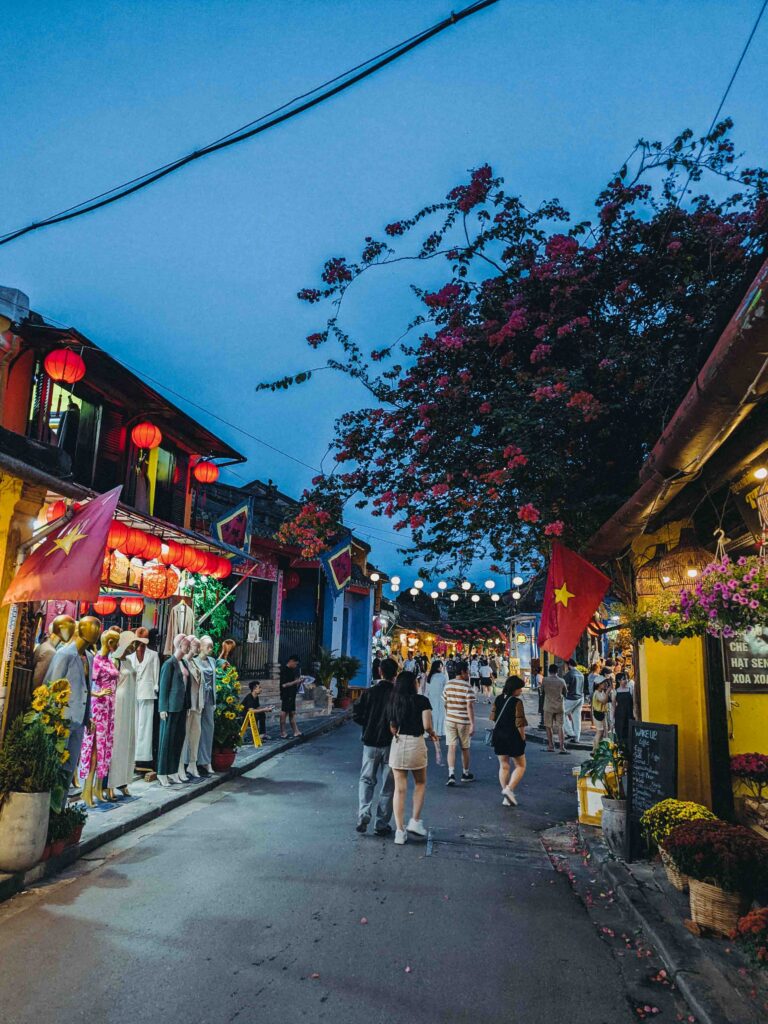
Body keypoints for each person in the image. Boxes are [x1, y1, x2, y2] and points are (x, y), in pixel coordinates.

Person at [388, 670, 439, 845]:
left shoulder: (395, 701)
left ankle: (399, 832)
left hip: (399, 743)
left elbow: (393, 728)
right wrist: (433, 733)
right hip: (416, 743)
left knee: (399, 789)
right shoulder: (423, 701)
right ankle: (415, 821)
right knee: (420, 783)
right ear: (413, 684)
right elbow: (427, 725)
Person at [352, 656, 398, 836]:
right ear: (395, 674)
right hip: (391, 744)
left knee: (366, 780)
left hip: (370, 742)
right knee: (388, 785)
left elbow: (356, 714)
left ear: (380, 671)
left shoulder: (369, 693)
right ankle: (381, 823)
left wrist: (368, 724)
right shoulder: (397, 695)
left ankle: (364, 813)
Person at [490, 676, 528, 806]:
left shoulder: (498, 699)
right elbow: (520, 723)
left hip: (499, 735)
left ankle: (506, 796)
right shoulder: (517, 702)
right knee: (521, 765)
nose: (521, 691)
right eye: (520, 688)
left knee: (504, 765)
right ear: (514, 689)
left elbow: (493, 717)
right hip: (513, 736)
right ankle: (509, 789)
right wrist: (523, 738)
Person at [442, 659, 476, 785]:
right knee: (465, 748)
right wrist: (472, 724)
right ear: (462, 672)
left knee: (451, 747)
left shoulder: (448, 684)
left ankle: (451, 774)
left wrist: (448, 715)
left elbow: (445, 703)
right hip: (463, 721)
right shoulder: (467, 686)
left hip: (450, 720)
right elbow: (469, 706)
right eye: (467, 672)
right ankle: (465, 773)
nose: (468, 674)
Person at [542, 664, 567, 754]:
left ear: (549, 671)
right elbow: (565, 693)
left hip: (548, 706)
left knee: (548, 726)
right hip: (559, 706)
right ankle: (562, 747)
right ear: (557, 671)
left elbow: (542, 691)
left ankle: (551, 745)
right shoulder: (562, 681)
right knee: (561, 726)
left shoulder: (545, 680)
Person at [279, 655, 302, 738]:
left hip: (292, 694)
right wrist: (295, 682)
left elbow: (293, 682)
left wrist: (299, 682)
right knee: (284, 712)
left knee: (292, 712)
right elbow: (284, 685)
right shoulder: (284, 670)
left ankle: (296, 731)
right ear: (291, 661)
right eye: (295, 664)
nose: (296, 666)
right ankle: (283, 732)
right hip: (286, 694)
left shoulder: (292, 670)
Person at [563, 658, 585, 743]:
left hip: (572, 697)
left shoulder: (569, 674)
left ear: (568, 665)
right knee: (577, 718)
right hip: (580, 697)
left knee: (562, 713)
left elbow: (565, 687)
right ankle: (577, 738)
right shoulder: (581, 674)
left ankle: (570, 733)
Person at [426, 660, 448, 737]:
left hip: (431, 697)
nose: (441, 668)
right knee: (440, 714)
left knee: (433, 714)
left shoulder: (430, 676)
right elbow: (446, 688)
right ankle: (439, 731)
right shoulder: (443, 676)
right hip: (441, 697)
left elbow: (427, 689)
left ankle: (432, 730)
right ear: (437, 667)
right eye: (440, 666)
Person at [612, 671, 635, 745]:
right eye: (624, 679)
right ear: (618, 681)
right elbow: (613, 706)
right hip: (619, 716)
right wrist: (612, 719)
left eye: (626, 679)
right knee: (620, 733)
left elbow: (634, 703)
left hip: (629, 714)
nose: (626, 680)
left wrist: (635, 713)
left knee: (630, 733)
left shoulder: (630, 689)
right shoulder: (615, 691)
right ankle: (621, 748)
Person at [591, 679, 610, 750]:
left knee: (601, 733)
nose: (605, 684)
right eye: (603, 683)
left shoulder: (601, 692)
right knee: (599, 732)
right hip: (598, 713)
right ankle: (595, 750)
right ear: (598, 684)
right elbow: (604, 701)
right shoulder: (597, 693)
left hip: (602, 713)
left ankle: (595, 750)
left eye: (606, 683)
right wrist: (607, 692)